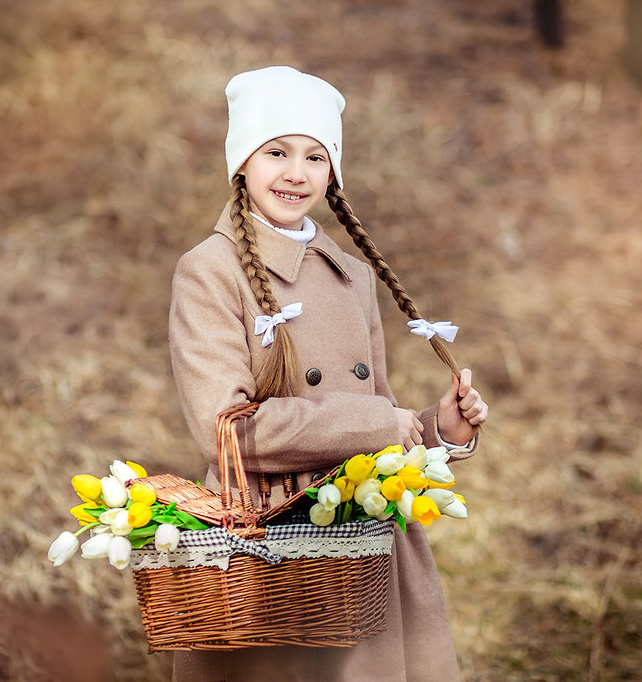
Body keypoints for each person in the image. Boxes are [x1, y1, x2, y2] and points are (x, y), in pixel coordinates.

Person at [168, 65, 489, 682]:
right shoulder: (209, 271)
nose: (296, 173)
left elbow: (385, 417)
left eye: (316, 156)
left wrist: (437, 428)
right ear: (241, 162)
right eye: (277, 152)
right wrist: (384, 425)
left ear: (333, 171)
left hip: (364, 533)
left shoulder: (353, 275)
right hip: (268, 537)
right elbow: (227, 431)